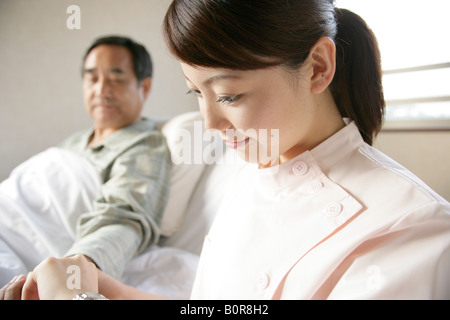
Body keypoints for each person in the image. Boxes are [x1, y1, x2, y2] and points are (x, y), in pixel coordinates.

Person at [2, 0, 449, 300]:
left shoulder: (410, 232)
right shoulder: (253, 172)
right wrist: (101, 284)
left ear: (318, 67)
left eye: (230, 96)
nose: (211, 125)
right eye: (196, 93)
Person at [0, 35, 171, 285]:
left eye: (116, 78)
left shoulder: (145, 145)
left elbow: (126, 217)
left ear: (143, 87)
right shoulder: (73, 143)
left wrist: (77, 270)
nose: (101, 90)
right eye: (92, 78)